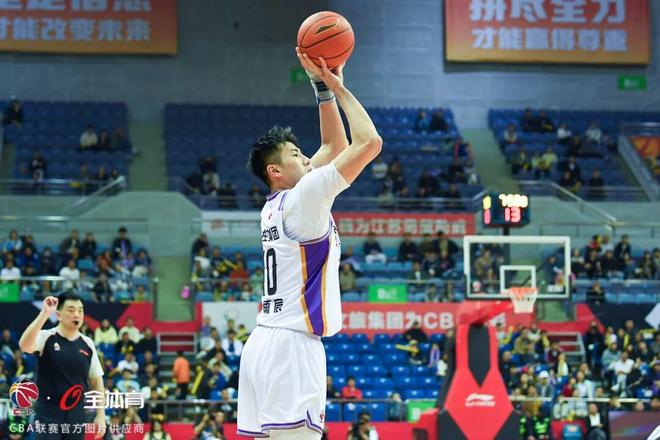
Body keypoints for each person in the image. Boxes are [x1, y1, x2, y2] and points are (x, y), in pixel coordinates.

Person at [238, 49, 382, 439]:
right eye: (296, 155)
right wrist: (339, 87)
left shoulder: (277, 203)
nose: (306, 158)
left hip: (263, 342)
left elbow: (334, 145)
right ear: (275, 170)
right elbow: (368, 142)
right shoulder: (304, 197)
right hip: (292, 348)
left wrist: (322, 88)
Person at [18, 293, 106, 439]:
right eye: (71, 310)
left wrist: (100, 415)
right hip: (48, 413)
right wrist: (45, 313)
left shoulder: (88, 344)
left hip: (77, 415)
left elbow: (96, 381)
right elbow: (24, 346)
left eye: (80, 310)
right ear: (58, 314)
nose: (76, 314)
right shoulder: (46, 336)